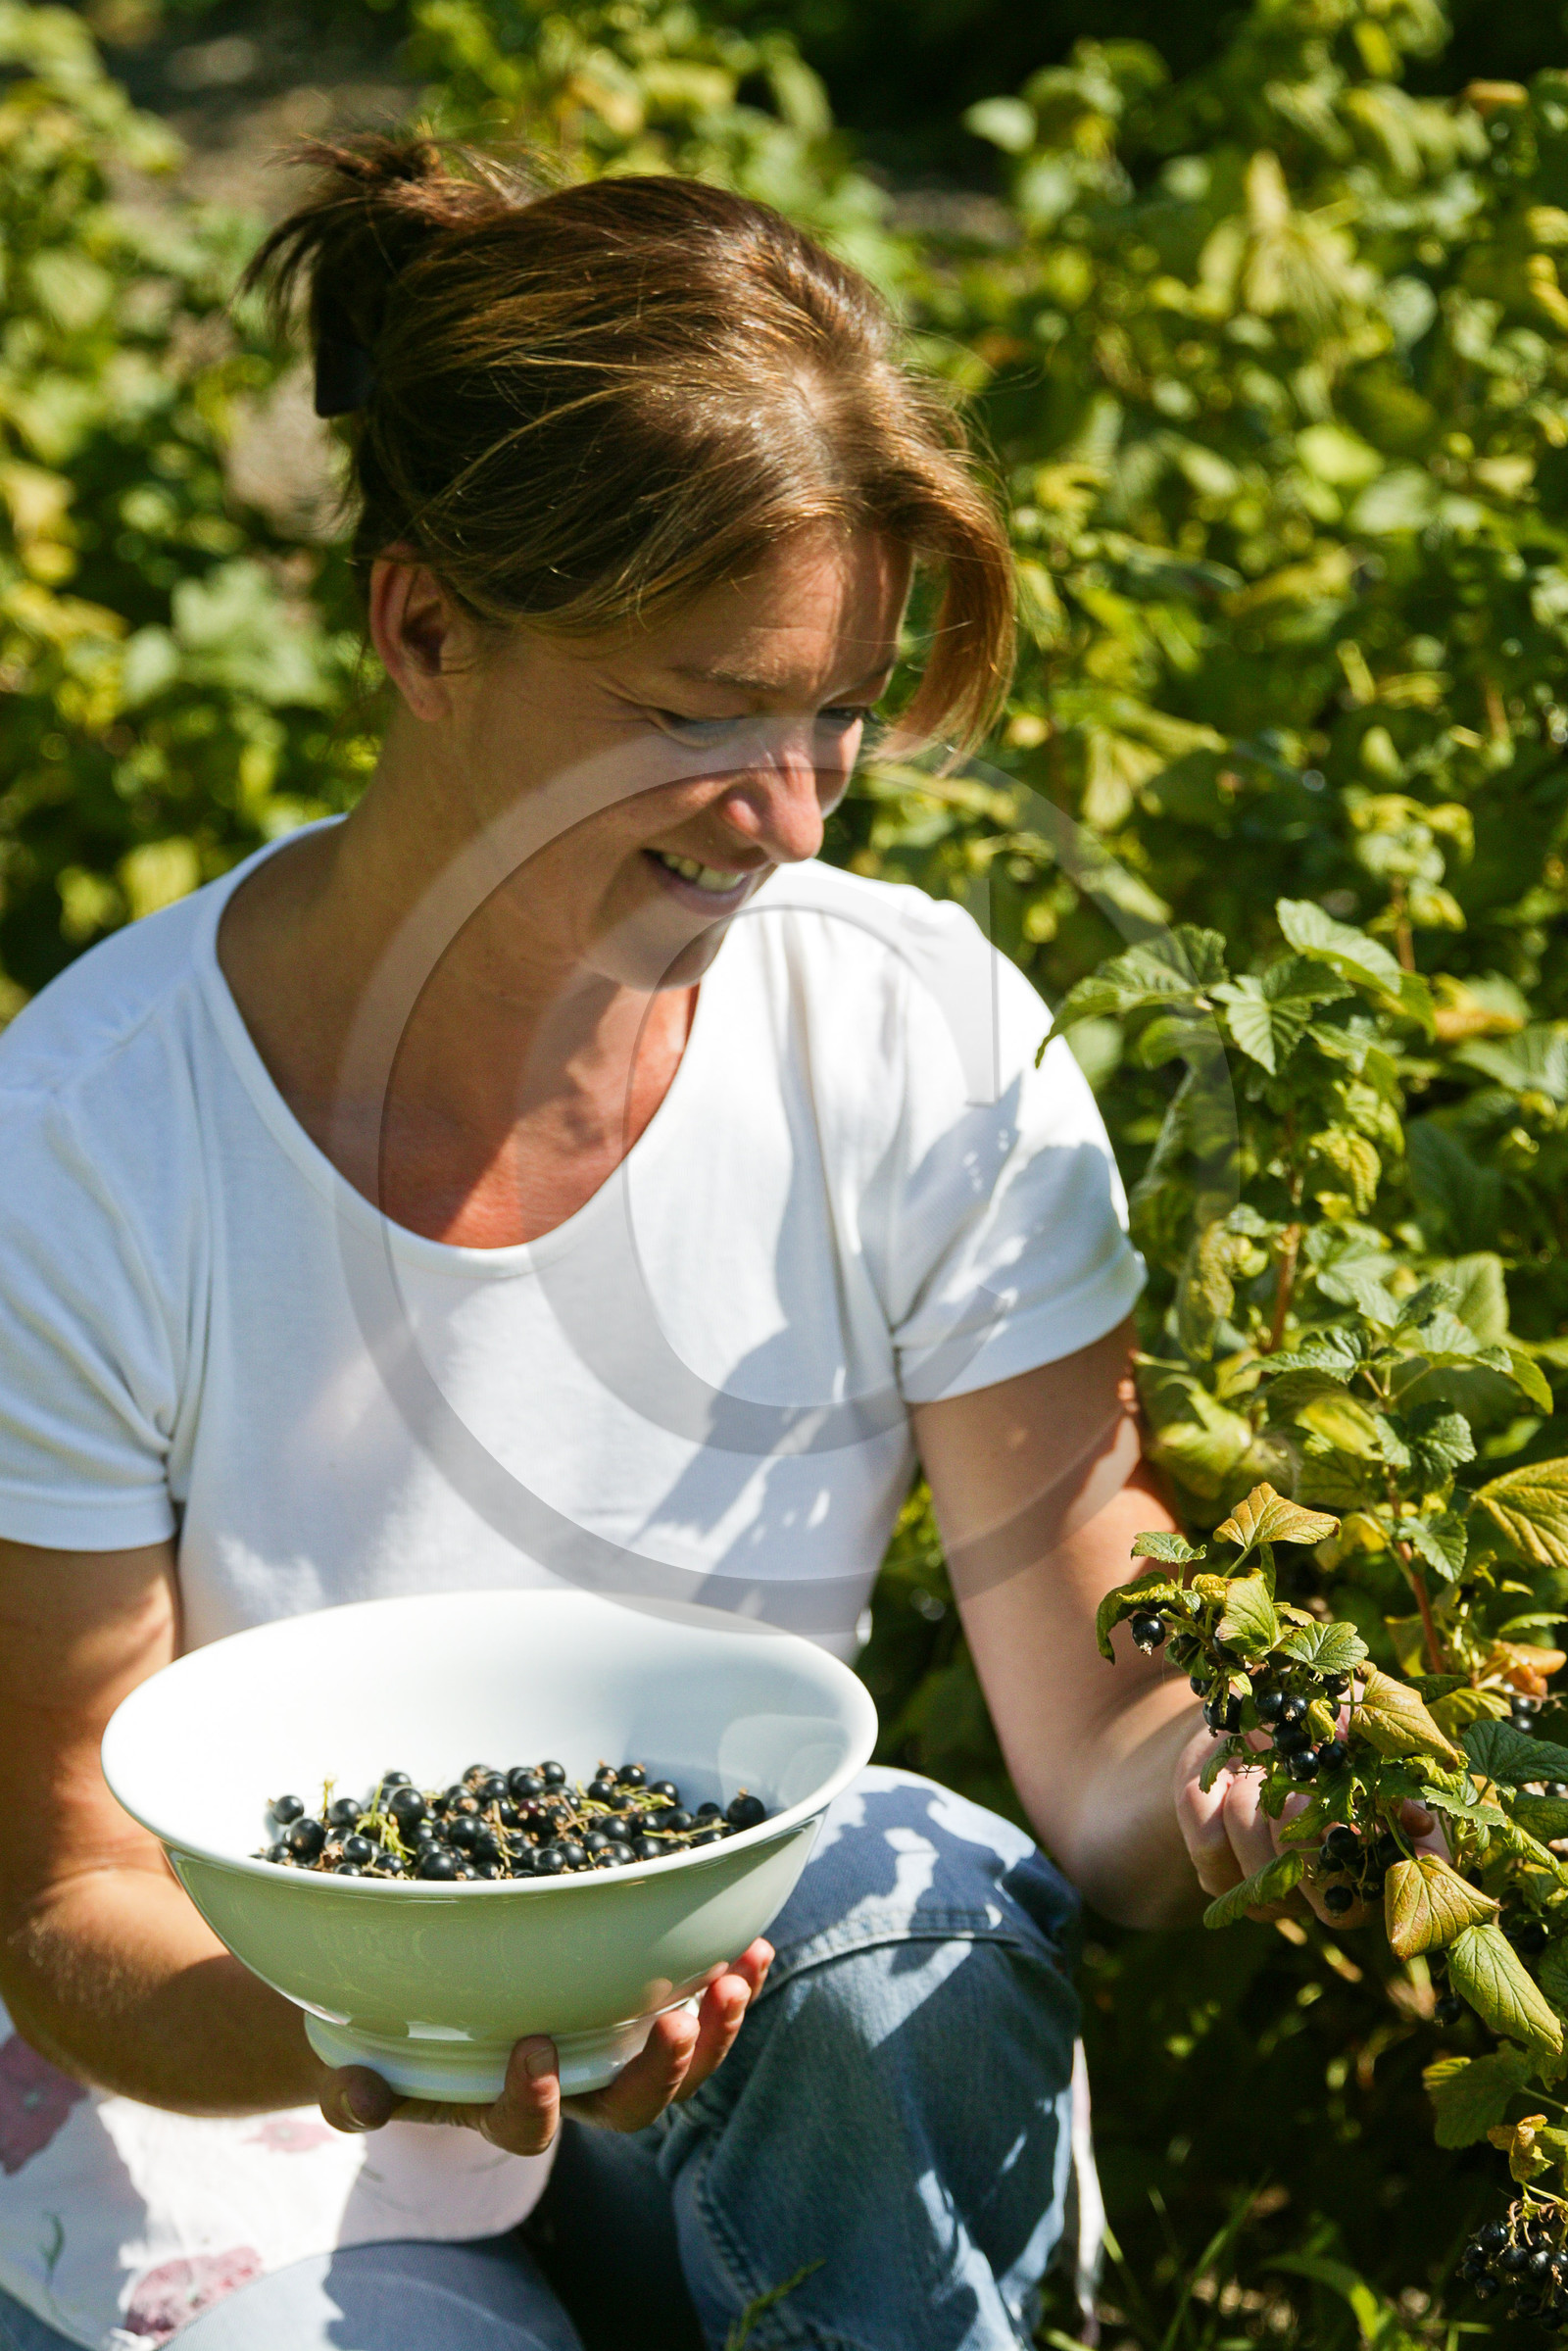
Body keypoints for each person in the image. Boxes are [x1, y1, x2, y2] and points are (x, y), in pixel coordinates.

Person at [0, 140, 1285, 2351]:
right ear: (424, 627)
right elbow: (67, 1899)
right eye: (698, 714)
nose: (792, 815)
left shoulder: (922, 1043)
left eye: (838, 712)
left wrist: (1328, 1753)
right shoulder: (92, 1145)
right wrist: (390, 2033)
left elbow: (1096, 1764)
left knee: (925, 1901)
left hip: (757, 2073)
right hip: (253, 2132)